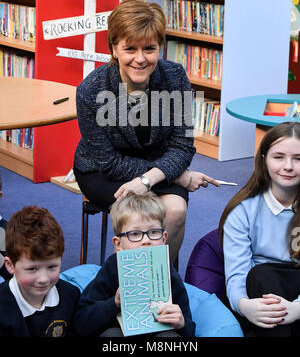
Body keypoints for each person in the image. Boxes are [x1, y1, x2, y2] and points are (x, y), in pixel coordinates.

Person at [73, 0, 219, 263]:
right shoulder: (90, 91)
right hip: (103, 173)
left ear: (159, 48)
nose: (140, 59)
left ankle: (164, 284)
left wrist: (149, 179)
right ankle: (134, 289)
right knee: (142, 219)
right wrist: (177, 177)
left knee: (174, 211)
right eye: (130, 48)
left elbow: (182, 147)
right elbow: (109, 163)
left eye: (149, 49)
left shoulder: (175, 77)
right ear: (114, 49)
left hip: (158, 169)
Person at [73, 191, 195, 337]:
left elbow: (189, 330)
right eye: (135, 234)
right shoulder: (112, 268)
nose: (146, 240)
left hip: (157, 335)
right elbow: (81, 322)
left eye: (154, 232)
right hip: (119, 334)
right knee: (112, 335)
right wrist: (114, 303)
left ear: (164, 239)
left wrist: (181, 323)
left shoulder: (167, 271)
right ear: (118, 244)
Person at [218, 121, 300, 337]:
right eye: (278, 157)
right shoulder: (243, 211)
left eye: (298, 159)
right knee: (261, 275)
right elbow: (237, 274)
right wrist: (245, 306)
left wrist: (297, 309)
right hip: (261, 294)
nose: (288, 166)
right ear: (264, 160)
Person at [0, 206, 80, 337]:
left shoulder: (71, 295)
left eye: (52, 267)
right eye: (32, 269)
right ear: (10, 265)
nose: (43, 278)